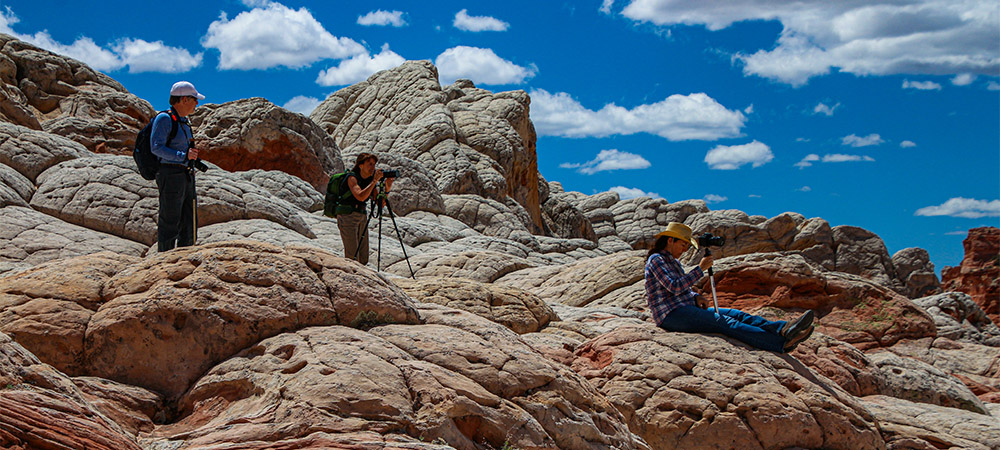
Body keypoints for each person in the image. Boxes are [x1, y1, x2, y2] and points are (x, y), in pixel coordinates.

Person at [645, 222, 815, 353]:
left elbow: (680, 287)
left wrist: (694, 296)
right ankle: (780, 344)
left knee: (737, 314)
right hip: (671, 315)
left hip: (684, 308)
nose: (684, 250)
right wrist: (700, 269)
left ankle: (783, 329)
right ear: (670, 240)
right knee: (724, 322)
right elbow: (674, 286)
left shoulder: (673, 262)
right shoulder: (656, 259)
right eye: (683, 245)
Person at [151, 81, 203, 252]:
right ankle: (165, 261)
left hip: (186, 174)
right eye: (195, 99)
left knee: (189, 221)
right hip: (170, 174)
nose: (197, 103)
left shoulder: (184, 121)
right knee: (170, 220)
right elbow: (156, 147)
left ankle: (185, 258)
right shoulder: (165, 118)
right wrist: (183, 156)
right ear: (185, 99)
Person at [336, 152, 393, 265]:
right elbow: (361, 196)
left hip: (361, 216)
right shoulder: (352, 178)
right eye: (369, 164)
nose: (373, 167)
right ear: (360, 165)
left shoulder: (369, 180)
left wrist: (387, 189)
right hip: (347, 216)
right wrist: (374, 181)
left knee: (363, 257)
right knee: (352, 256)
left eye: (374, 164)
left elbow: (380, 203)